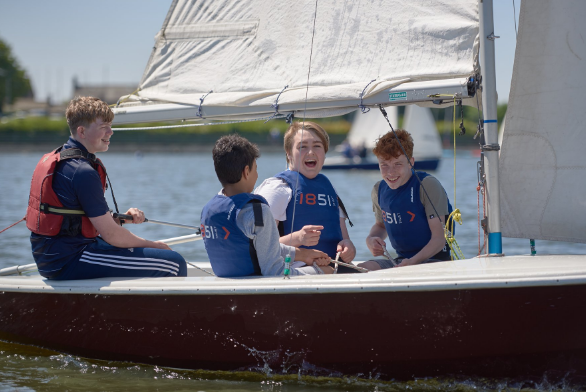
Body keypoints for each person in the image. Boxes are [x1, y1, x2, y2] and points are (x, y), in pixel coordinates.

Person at [26, 96, 187, 280]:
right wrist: (153, 245)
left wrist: (122, 219)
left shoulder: (61, 159)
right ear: (82, 131)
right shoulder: (82, 171)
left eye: (110, 126)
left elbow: (76, 219)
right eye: (104, 127)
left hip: (52, 257)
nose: (110, 132)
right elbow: (111, 235)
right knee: (173, 263)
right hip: (70, 259)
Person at [200, 134, 333, 277]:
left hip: (227, 285)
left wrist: (303, 255)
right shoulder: (257, 212)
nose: (257, 175)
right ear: (246, 172)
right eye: (255, 169)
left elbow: (259, 247)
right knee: (330, 271)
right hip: (256, 289)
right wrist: (320, 272)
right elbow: (275, 273)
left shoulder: (208, 210)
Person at [254, 121, 356, 264]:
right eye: (302, 147)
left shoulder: (329, 188)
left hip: (333, 267)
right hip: (296, 271)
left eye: (317, 146)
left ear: (325, 153)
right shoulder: (277, 188)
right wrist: (297, 238)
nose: (311, 152)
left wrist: (349, 248)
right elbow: (257, 247)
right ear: (288, 153)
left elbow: (345, 239)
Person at [358, 129, 452, 270]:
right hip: (402, 261)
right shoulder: (378, 190)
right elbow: (381, 226)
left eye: (398, 164)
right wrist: (370, 240)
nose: (390, 172)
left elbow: (439, 240)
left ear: (411, 162)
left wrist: (412, 262)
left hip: (435, 261)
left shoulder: (427, 185)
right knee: (361, 268)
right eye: (384, 165)